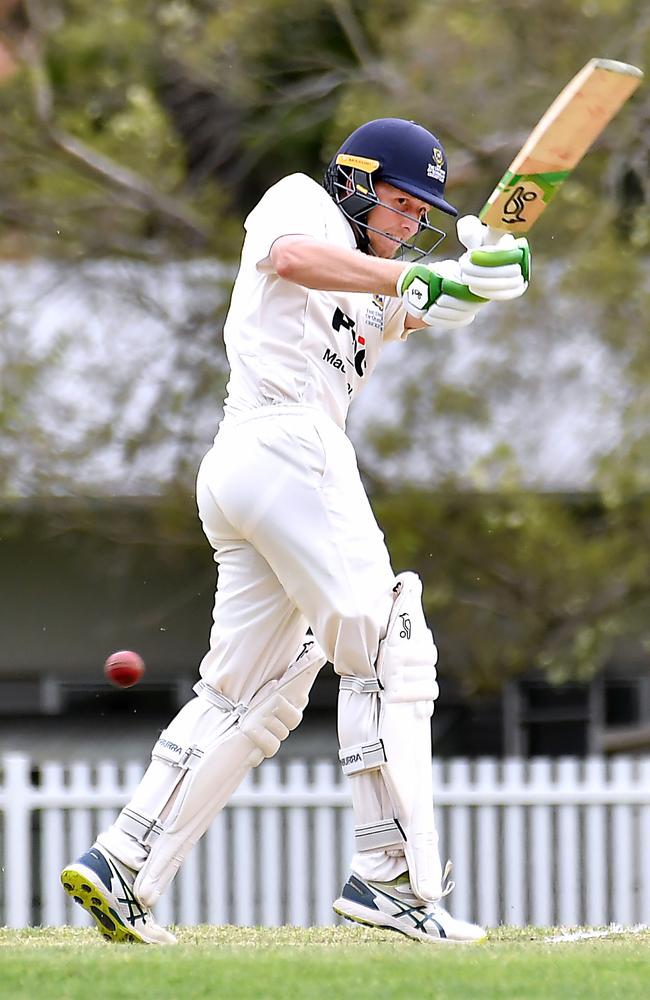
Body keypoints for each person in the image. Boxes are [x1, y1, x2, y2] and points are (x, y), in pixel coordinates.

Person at [61, 118, 530, 945]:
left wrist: (479, 277)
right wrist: (416, 277)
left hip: (255, 471)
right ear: (354, 183)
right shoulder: (302, 203)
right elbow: (292, 260)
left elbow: (418, 306)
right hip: (285, 444)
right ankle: (390, 877)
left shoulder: (373, 275)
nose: (408, 223)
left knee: (255, 694)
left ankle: (124, 861)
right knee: (388, 647)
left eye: (421, 213)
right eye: (399, 203)